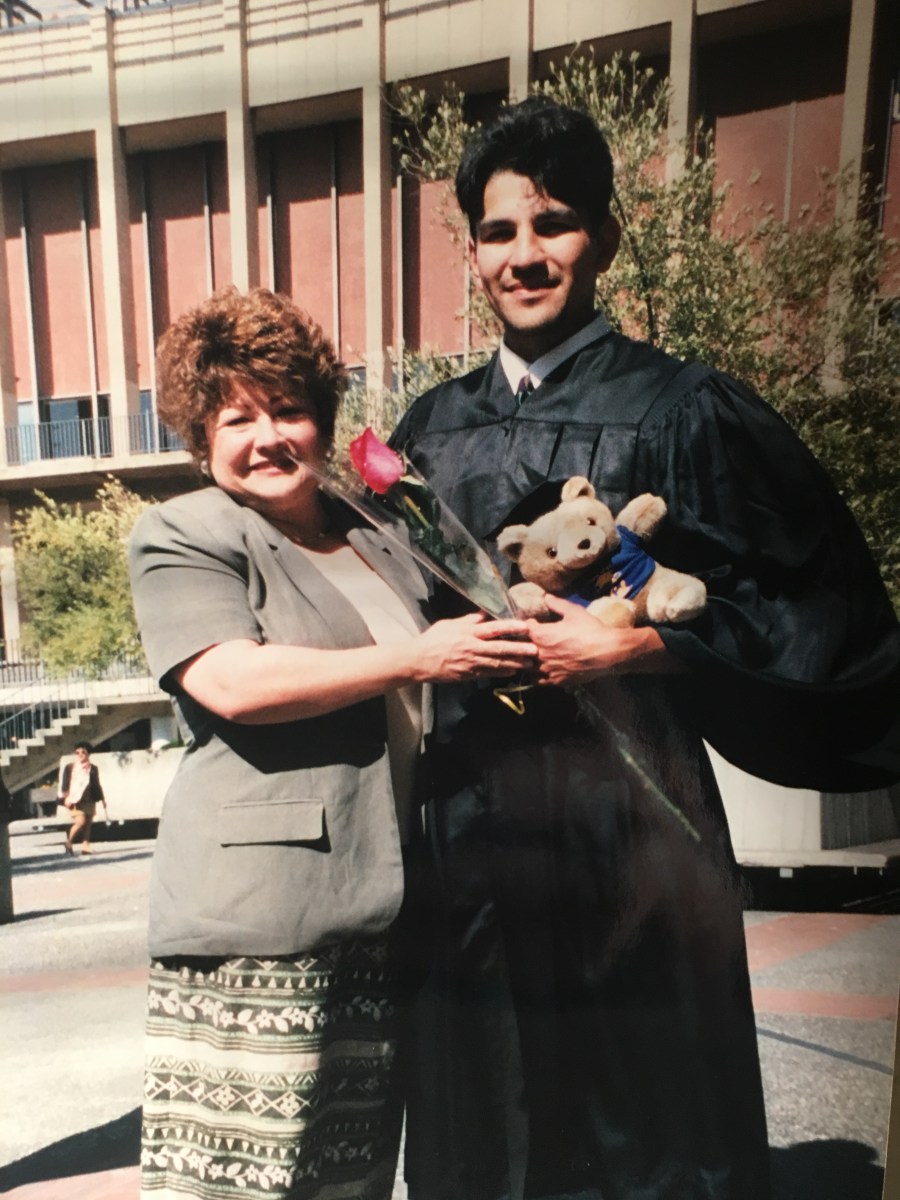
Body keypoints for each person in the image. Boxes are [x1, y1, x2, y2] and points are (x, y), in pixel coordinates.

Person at [391, 98, 900, 1200]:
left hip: (634, 825)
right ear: (472, 253)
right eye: (498, 232)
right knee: (489, 1120)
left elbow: (811, 606)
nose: (525, 256)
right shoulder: (430, 429)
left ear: (606, 239)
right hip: (472, 828)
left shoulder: (681, 409)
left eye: (554, 224)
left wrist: (634, 651)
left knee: (653, 1128)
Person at [127, 286, 535, 1200]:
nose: (267, 436)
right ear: (201, 437)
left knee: (348, 1178)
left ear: (322, 421)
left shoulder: (374, 532)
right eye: (237, 417)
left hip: (382, 903)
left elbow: (465, 632)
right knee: (242, 1181)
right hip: (260, 920)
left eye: (288, 410)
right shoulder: (184, 532)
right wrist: (418, 657)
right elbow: (230, 681)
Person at [58, 741, 106, 856]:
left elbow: (97, 784)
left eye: (83, 752)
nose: (80, 755)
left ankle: (86, 846)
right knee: (80, 822)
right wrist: (65, 798)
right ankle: (68, 843)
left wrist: (103, 799)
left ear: (88, 754)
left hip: (89, 799)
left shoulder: (93, 768)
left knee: (88, 824)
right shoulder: (70, 767)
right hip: (75, 799)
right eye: (77, 752)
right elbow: (65, 784)